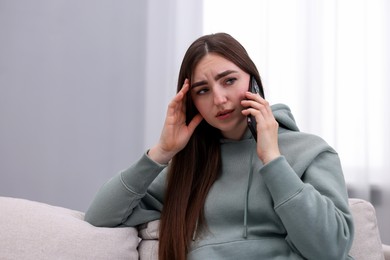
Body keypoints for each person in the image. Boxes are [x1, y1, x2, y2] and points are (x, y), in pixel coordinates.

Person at [85, 32, 354, 260]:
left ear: (254, 82)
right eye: (203, 90)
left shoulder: (311, 152)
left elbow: (331, 249)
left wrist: (273, 160)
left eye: (229, 81)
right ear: (192, 102)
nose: (219, 99)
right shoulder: (188, 168)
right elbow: (100, 216)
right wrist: (161, 153)